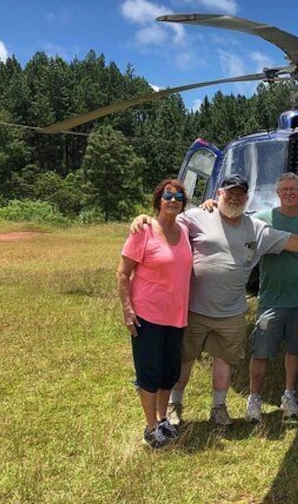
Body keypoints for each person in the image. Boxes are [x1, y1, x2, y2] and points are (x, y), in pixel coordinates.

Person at [131, 174, 298, 427]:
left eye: (240, 194)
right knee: (184, 359)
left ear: (247, 198)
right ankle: (175, 405)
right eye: (229, 193)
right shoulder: (199, 216)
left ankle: (218, 407)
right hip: (194, 309)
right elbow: (167, 219)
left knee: (225, 360)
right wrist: (145, 219)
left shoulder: (255, 227)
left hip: (232, 311)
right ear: (219, 194)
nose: (234, 197)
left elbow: (291, 241)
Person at [246, 173, 298, 422]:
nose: (289, 193)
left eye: (293, 189)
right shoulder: (262, 220)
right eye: (284, 189)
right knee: (260, 351)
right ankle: (254, 398)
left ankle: (289, 395)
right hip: (271, 299)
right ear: (277, 192)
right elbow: (236, 229)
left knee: (295, 350)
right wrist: (210, 207)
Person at [117, 179, 193, 449]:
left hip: (176, 316)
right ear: (159, 200)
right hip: (147, 316)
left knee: (168, 372)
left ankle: (162, 419)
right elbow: (123, 273)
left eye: (179, 197)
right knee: (149, 373)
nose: (173, 200)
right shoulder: (144, 230)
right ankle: (150, 427)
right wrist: (127, 310)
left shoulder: (184, 230)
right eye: (168, 195)